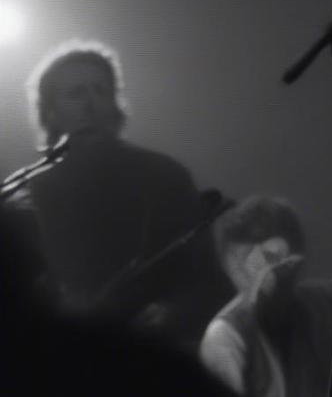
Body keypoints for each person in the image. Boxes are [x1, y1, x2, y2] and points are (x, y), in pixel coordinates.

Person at [9, 39, 229, 348]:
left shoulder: (163, 175)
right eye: (76, 93)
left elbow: (210, 279)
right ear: (51, 111)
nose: (92, 104)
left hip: (149, 358)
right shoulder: (29, 192)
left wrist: (173, 312)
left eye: (101, 90)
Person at [200, 195, 332, 397]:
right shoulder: (224, 337)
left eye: (271, 257)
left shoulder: (325, 301)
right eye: (237, 261)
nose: (251, 270)